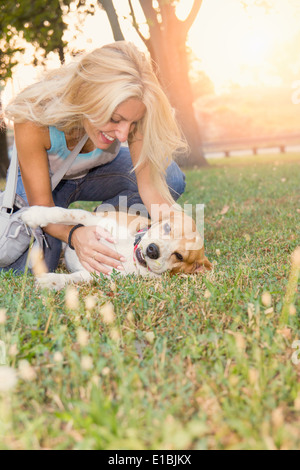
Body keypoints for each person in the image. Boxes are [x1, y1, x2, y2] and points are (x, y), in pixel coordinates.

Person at [2, 41, 188, 276]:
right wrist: (74, 234)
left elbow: (149, 187)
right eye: (115, 118)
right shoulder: (32, 117)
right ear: (89, 95)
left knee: (170, 177)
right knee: (39, 262)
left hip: (94, 175)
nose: (122, 134)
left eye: (131, 124)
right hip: (43, 186)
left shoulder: (134, 109)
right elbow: (43, 208)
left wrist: (179, 228)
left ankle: (110, 232)